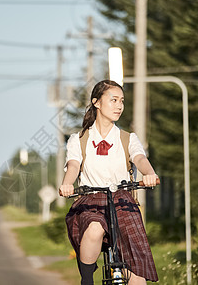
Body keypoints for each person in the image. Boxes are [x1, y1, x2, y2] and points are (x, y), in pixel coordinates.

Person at [59, 80, 159, 285]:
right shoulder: (78, 140)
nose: (119, 106)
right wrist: (67, 184)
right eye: (113, 100)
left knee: (137, 277)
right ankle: (86, 280)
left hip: (122, 201)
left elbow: (140, 159)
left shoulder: (127, 138)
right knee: (94, 229)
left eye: (121, 101)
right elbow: (73, 166)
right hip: (90, 200)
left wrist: (149, 174)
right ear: (96, 102)